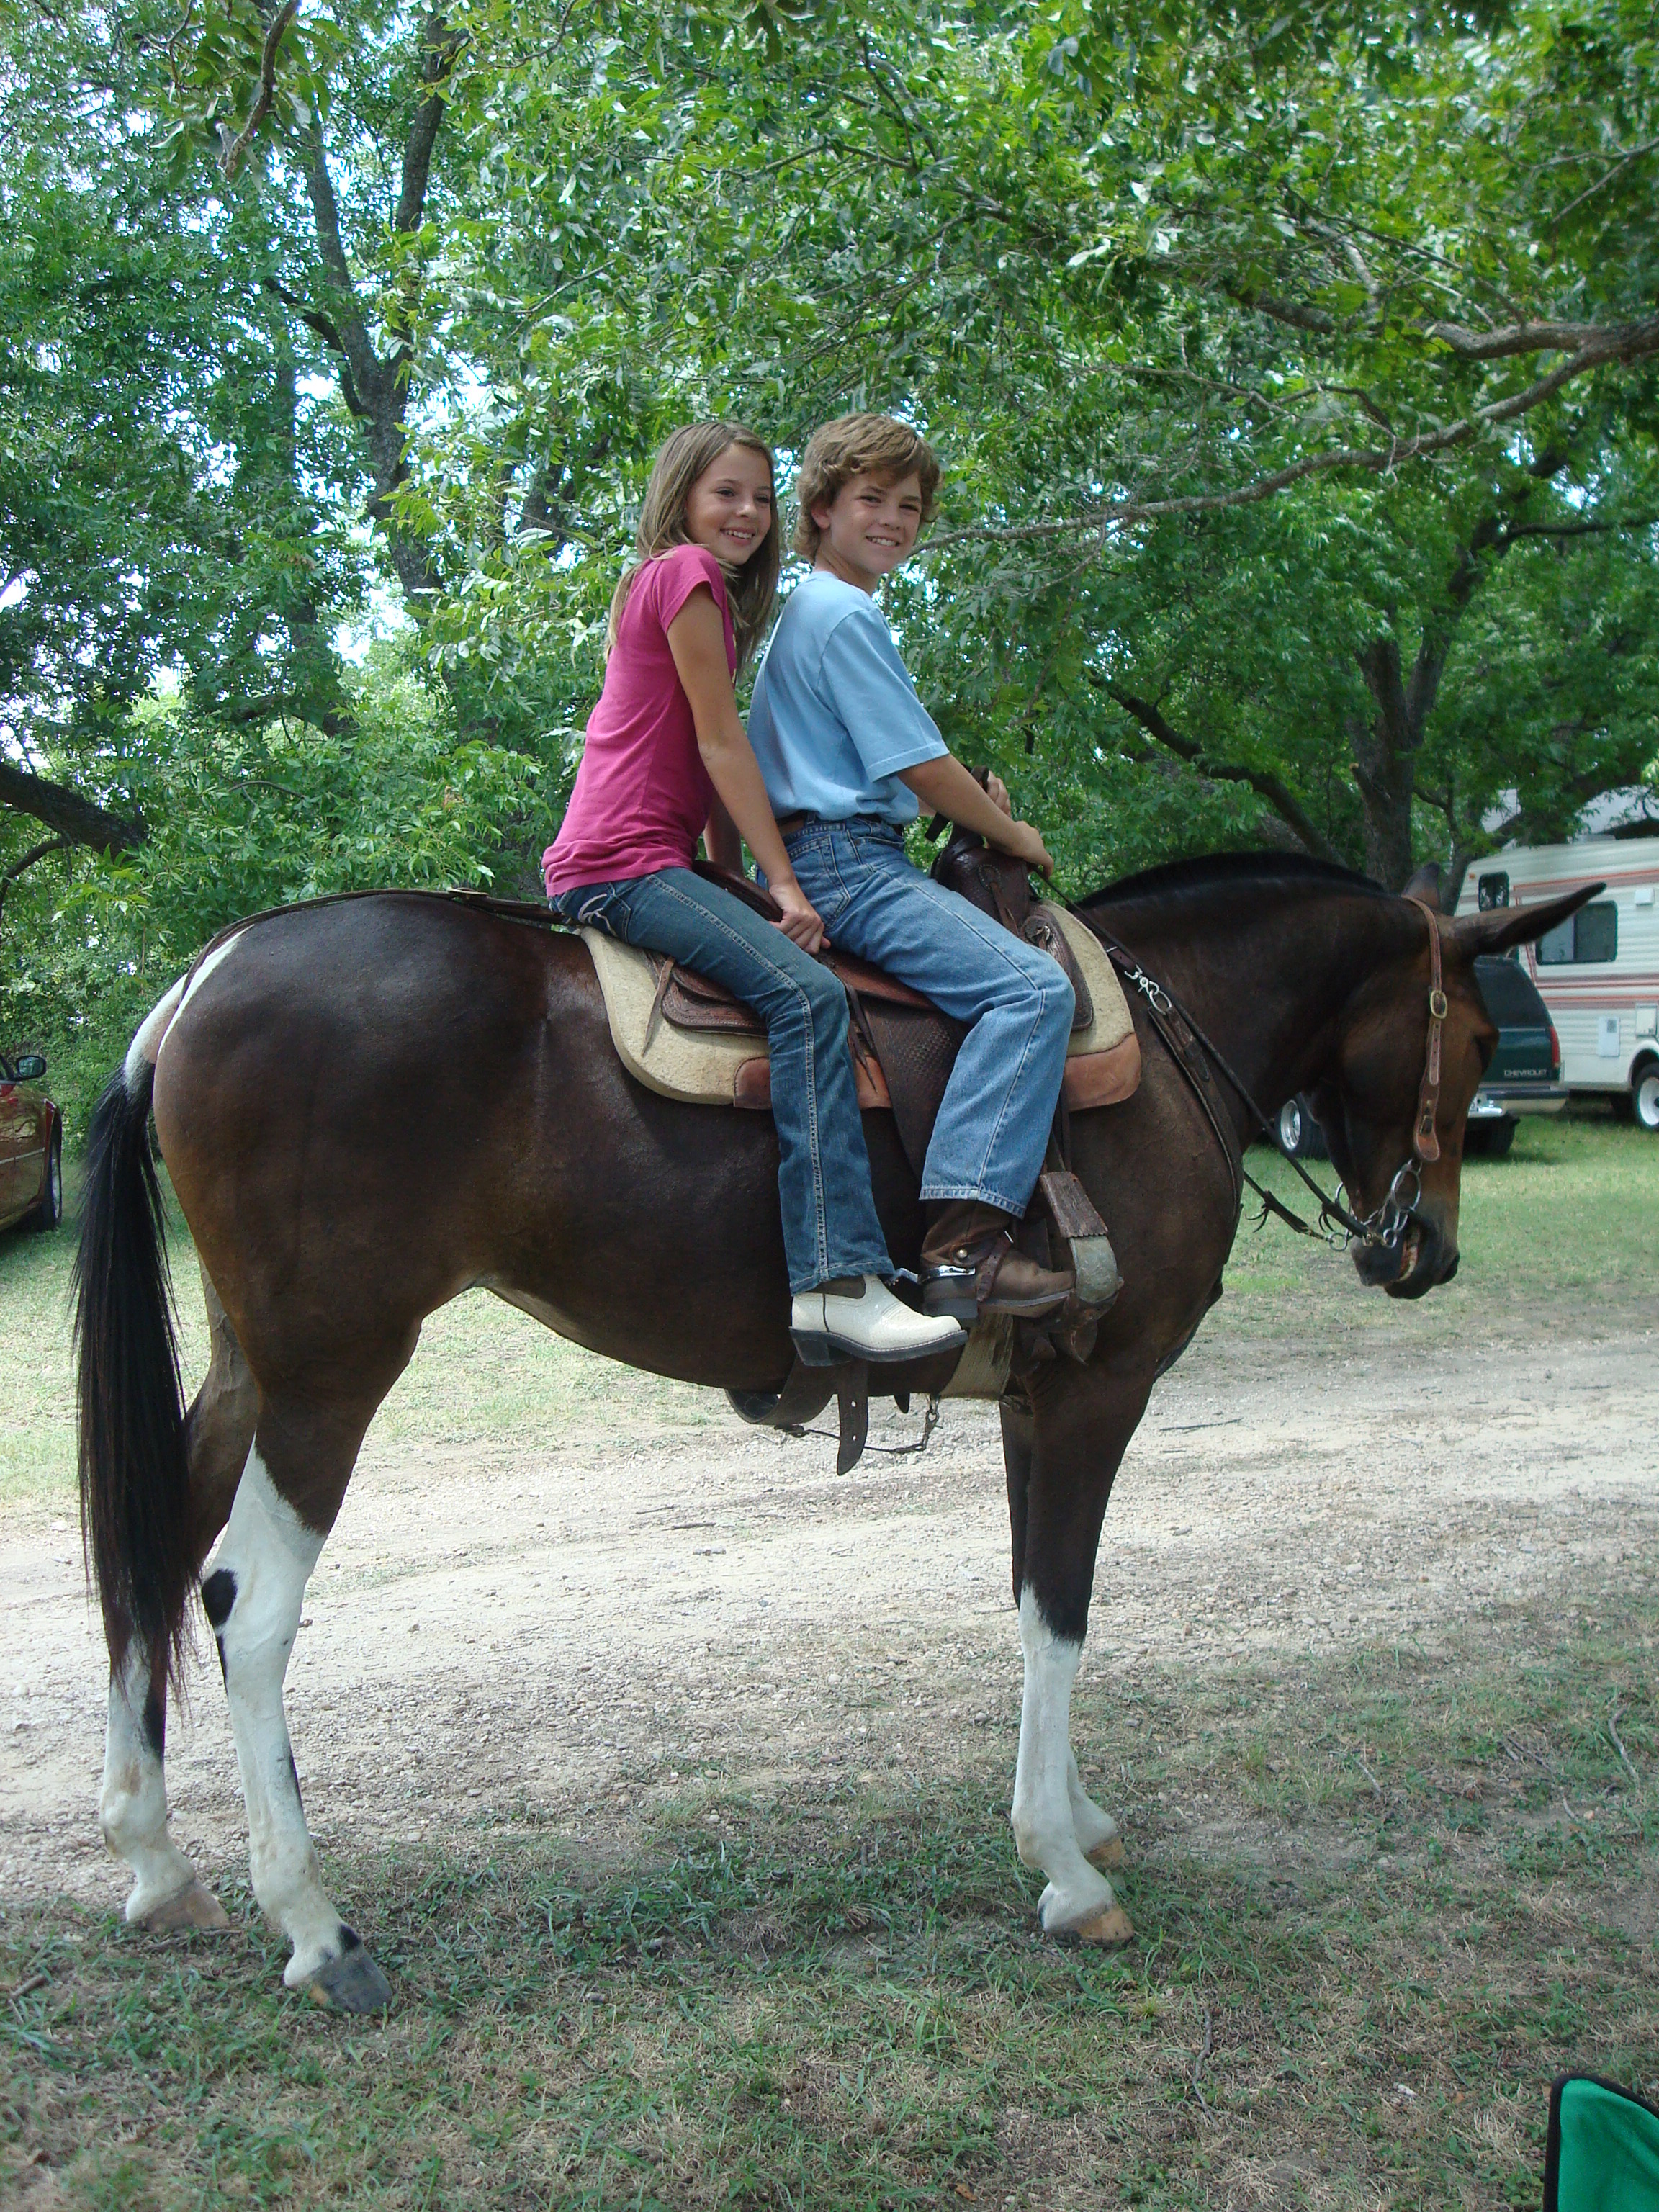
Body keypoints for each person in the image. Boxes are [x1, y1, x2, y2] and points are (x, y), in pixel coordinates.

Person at [543, 420, 965, 1369]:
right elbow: (722, 744)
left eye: (762, 497)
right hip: (621, 859)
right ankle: (837, 1280)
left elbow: (706, 766)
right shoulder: (685, 575)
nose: (747, 512)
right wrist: (781, 881)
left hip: (658, 855)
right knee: (809, 998)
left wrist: (732, 870)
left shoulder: (694, 596)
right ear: (682, 499)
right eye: (726, 491)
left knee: (797, 978)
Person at [747, 413, 1076, 1324]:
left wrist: (963, 790)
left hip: (834, 847)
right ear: (819, 510)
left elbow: (907, 766)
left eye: (911, 506)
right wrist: (1014, 838)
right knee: (1032, 994)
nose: (893, 519)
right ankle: (965, 1247)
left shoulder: (816, 609)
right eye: (871, 501)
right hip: (850, 863)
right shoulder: (842, 611)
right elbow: (915, 770)